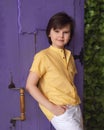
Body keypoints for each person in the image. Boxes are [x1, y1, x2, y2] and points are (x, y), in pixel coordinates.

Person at [26, 12, 83, 130]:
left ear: (70, 35)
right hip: (60, 110)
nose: (61, 35)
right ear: (49, 33)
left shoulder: (70, 56)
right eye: (57, 31)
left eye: (65, 32)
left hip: (75, 107)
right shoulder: (43, 56)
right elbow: (30, 86)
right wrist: (52, 108)